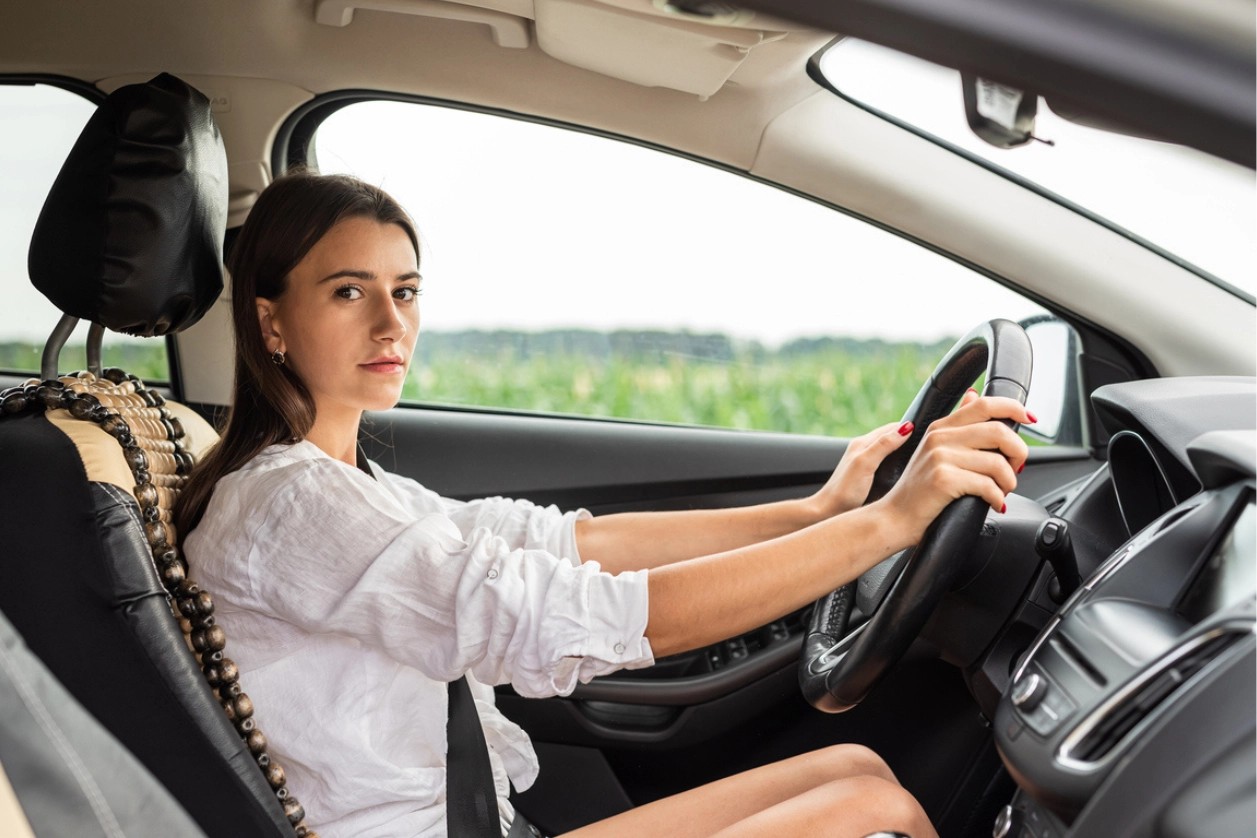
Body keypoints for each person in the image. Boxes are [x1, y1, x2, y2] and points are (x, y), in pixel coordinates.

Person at [177, 171, 1032, 838]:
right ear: (271, 322)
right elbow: (575, 614)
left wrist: (816, 514)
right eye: (348, 292)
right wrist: (885, 525)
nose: (392, 324)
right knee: (863, 814)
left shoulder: (361, 490)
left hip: (489, 823)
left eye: (405, 291)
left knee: (853, 770)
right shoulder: (288, 507)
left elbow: (566, 543)